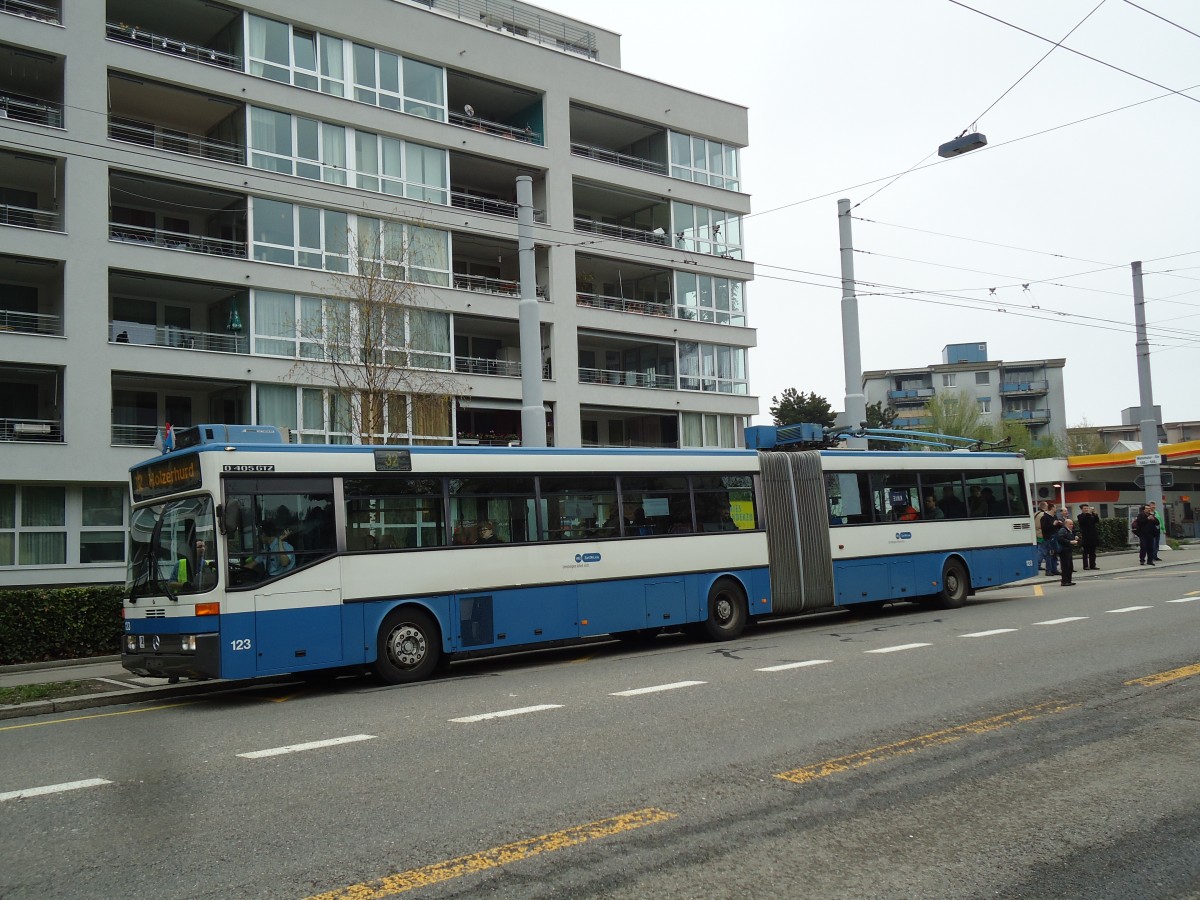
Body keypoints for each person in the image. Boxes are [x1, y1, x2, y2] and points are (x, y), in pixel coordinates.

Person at [1054, 517, 1079, 586]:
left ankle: (1069, 580)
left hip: (1068, 550)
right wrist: (1070, 542)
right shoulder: (1063, 530)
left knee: (1070, 566)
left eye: (1072, 524)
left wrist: (1075, 538)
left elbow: (1070, 536)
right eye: (1070, 524)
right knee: (1065, 566)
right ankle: (1064, 581)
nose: (1072, 526)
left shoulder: (1069, 530)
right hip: (1064, 551)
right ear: (1066, 524)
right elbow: (1061, 539)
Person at [1039, 502, 1061, 576]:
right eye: (1055, 507)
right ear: (1052, 508)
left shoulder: (1054, 517)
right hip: (1048, 538)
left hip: (1055, 536)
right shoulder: (1044, 517)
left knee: (1055, 553)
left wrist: (1059, 524)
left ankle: (1054, 569)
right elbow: (1044, 529)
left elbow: (1056, 527)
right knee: (1049, 554)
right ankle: (1048, 570)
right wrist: (1053, 524)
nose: (1056, 509)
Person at [1076, 504, 1100, 570]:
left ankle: (1093, 565)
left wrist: (1095, 514)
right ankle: (1085, 566)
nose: (1086, 509)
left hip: (1093, 536)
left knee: (1093, 552)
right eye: (1084, 508)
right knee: (1085, 552)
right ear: (1081, 509)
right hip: (1086, 536)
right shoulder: (1080, 516)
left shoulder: (1091, 515)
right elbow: (1084, 522)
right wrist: (1089, 514)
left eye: (1087, 508)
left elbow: (1096, 521)